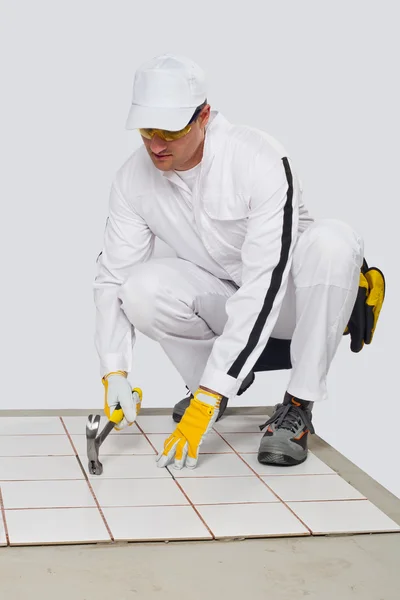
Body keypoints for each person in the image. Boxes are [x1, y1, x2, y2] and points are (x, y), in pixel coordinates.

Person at [93, 53, 382, 472]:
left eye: (169, 130)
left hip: (295, 305)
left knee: (333, 242)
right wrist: (114, 371)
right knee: (138, 289)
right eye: (146, 129)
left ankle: (296, 406)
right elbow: (112, 277)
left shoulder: (258, 159)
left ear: (203, 115)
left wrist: (209, 393)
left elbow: (265, 285)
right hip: (227, 299)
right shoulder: (131, 180)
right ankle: (219, 383)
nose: (155, 144)